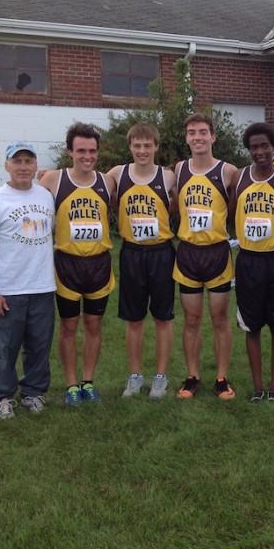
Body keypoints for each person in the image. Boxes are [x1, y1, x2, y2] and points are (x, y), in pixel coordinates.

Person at [0, 142, 56, 419]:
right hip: (8, 289)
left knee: (39, 346)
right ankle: (3, 396)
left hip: (43, 286)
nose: (23, 167)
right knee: (4, 348)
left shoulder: (46, 196)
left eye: (28, 161)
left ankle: (34, 392)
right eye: (17, 161)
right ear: (7, 165)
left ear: (36, 166)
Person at [41, 123, 117, 406]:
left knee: (94, 325)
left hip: (98, 264)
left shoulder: (107, 182)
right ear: (70, 151)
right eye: (81, 150)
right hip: (67, 266)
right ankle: (71, 384)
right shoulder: (53, 180)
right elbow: (24, 196)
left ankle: (88, 381)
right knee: (69, 327)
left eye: (93, 151)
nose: (88, 156)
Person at [172, 113, 240, 400]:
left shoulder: (228, 171)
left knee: (220, 318)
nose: (197, 137)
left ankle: (222, 378)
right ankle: (192, 376)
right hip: (187, 252)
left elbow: (239, 204)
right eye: (191, 132)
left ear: (213, 137)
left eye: (202, 132)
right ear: (186, 138)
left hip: (217, 253)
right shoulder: (178, 169)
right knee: (191, 318)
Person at [232, 122, 274, 402]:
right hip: (249, 260)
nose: (259, 151)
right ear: (248, 150)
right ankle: (258, 386)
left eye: (264, 146)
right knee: (251, 325)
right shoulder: (238, 177)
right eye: (254, 147)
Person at [110, 123, 178, 400]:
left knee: (163, 318)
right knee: (134, 319)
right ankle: (135, 375)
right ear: (130, 147)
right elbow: (87, 184)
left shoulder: (169, 176)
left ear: (156, 147)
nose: (142, 150)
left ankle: (160, 377)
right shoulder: (117, 174)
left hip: (161, 252)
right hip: (132, 253)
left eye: (147, 145)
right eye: (137, 145)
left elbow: (181, 204)